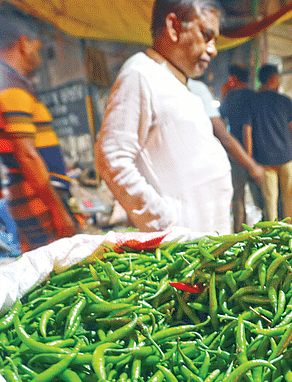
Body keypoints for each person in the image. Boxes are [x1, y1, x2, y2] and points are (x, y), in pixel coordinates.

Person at [95, 0, 233, 234]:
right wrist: (163, 221)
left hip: (205, 240)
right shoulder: (140, 73)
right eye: (207, 36)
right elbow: (111, 158)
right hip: (182, 246)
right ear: (173, 27)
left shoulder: (178, 82)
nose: (213, 50)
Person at [0, 10, 78, 251]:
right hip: (38, 199)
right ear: (23, 43)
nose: (40, 58)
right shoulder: (9, 86)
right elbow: (26, 154)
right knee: (66, 269)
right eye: (38, 48)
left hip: (28, 196)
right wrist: (58, 209)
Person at [243, 64, 292, 223]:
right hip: (287, 157)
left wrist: (250, 161)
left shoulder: (252, 101)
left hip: (264, 160)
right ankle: (290, 235)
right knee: (288, 199)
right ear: (274, 79)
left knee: (270, 202)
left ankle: (272, 239)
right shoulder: (286, 101)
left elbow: (247, 132)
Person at [218, 64, 266, 232]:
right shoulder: (256, 96)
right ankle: (266, 230)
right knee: (261, 195)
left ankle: (239, 233)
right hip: (257, 154)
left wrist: (224, 95)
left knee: (238, 195)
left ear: (233, 79)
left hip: (237, 153)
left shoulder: (231, 97)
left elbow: (219, 121)